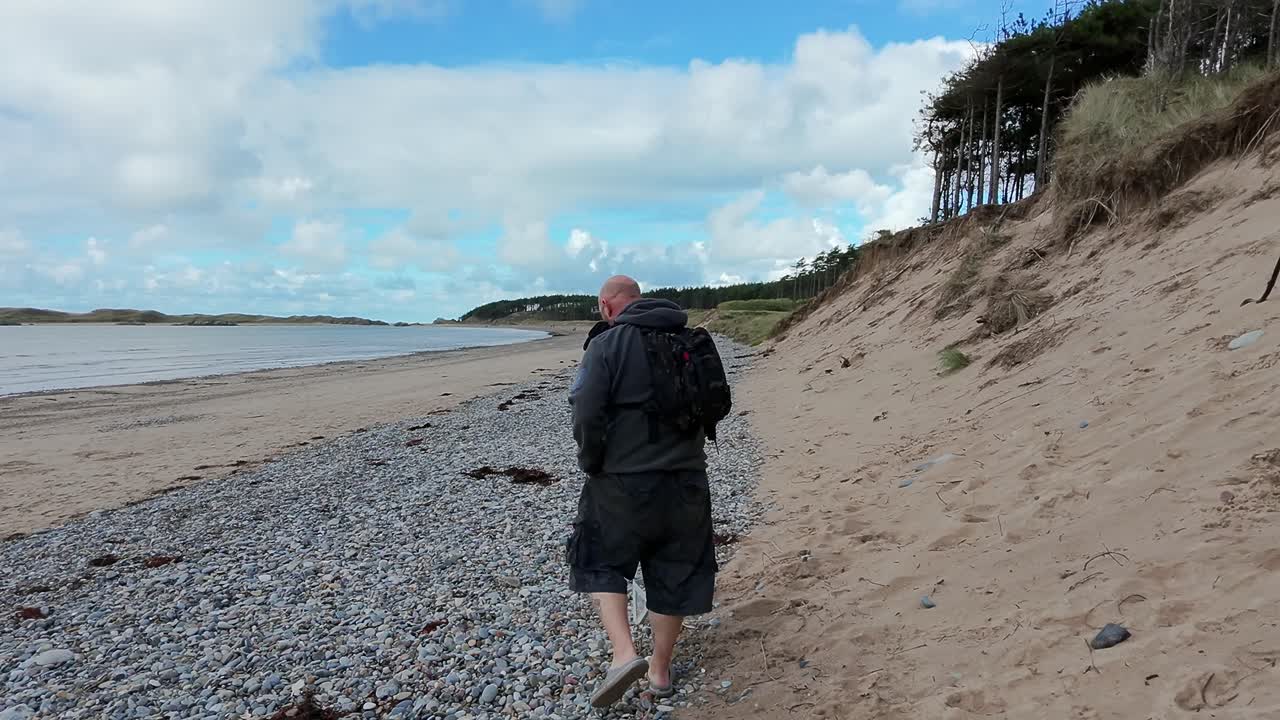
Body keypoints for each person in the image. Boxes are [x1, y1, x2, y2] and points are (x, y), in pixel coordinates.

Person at [566, 275, 723, 708]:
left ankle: (623, 654)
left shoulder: (606, 344)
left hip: (623, 480)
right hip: (687, 480)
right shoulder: (689, 339)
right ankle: (659, 670)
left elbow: (586, 410)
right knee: (675, 569)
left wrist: (590, 461)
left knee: (598, 558)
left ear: (606, 305)